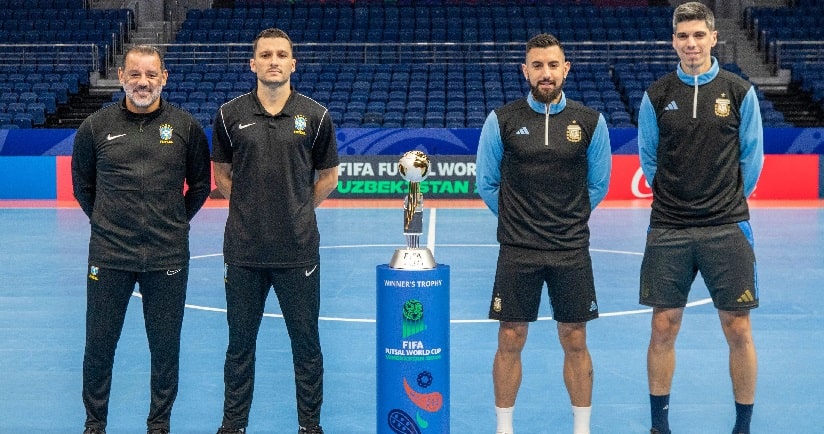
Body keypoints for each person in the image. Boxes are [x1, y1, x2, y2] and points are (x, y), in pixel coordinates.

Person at [636, 3, 764, 434]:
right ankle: (659, 427)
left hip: (727, 227)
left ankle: (742, 427)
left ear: (713, 38)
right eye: (682, 36)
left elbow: (753, 159)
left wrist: (721, 201)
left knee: (738, 328)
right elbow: (649, 159)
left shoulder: (739, 92)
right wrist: (679, 200)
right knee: (662, 326)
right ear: (673, 41)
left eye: (698, 35)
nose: (690, 44)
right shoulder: (656, 95)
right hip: (669, 227)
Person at [475, 33, 612, 434]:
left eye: (553, 65)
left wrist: (563, 219)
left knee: (574, 338)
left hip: (571, 249)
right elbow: (486, 183)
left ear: (565, 69)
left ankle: (582, 428)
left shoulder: (590, 122)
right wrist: (522, 219)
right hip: (518, 250)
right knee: (510, 337)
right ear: (526, 71)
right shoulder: (502, 120)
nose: (546, 73)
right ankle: (504, 427)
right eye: (537, 66)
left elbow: (598, 185)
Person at [72, 44, 212, 434]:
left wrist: (173, 222)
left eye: (151, 75)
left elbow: (200, 185)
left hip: (167, 255)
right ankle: (94, 424)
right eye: (135, 74)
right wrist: (106, 222)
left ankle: (159, 425)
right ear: (121, 78)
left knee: (165, 349)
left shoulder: (185, 128)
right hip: (109, 254)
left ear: (164, 78)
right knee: (99, 347)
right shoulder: (95, 128)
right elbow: (83, 186)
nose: (143, 82)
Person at [211, 28, 339, 434]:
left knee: (306, 346)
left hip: (298, 251)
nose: (273, 61)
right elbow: (222, 175)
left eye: (281, 55)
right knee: (239, 347)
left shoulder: (316, 117)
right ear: (253, 64)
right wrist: (252, 209)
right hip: (244, 252)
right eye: (265, 55)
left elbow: (329, 177)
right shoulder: (229, 115)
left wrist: (296, 209)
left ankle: (310, 426)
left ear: (293, 64)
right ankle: (233, 425)